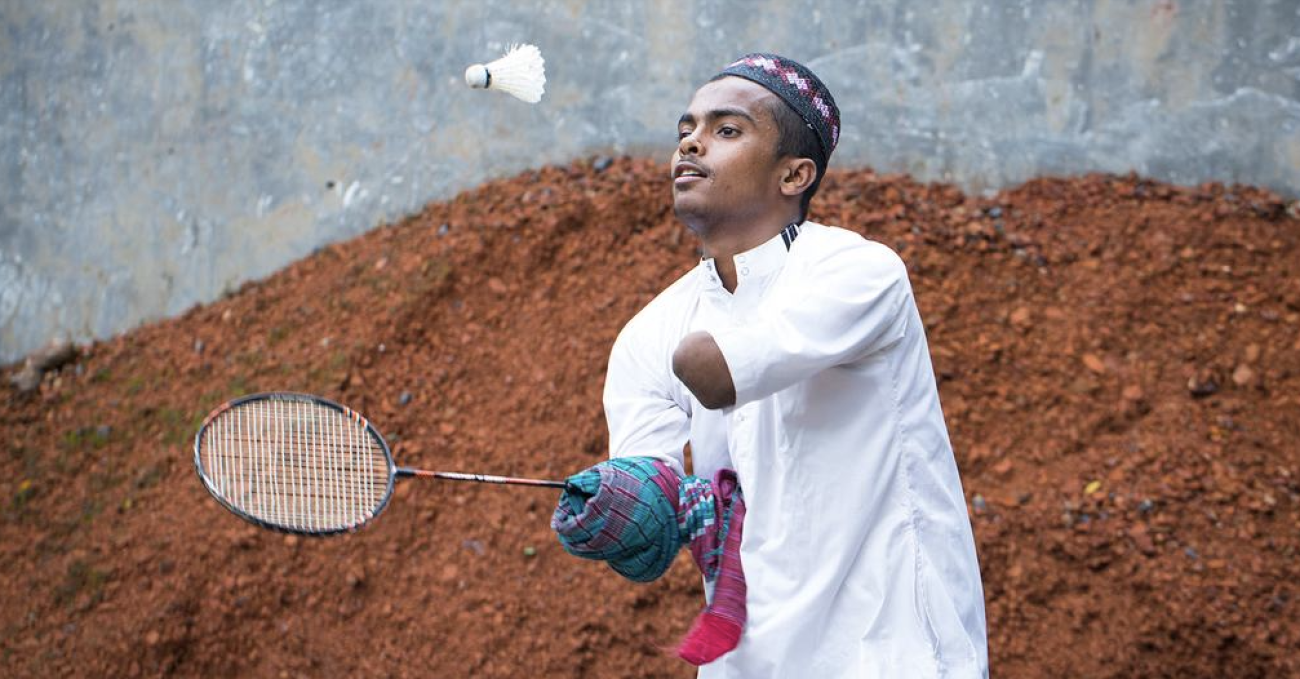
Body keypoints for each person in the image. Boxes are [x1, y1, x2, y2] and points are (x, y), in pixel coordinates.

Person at [600, 53, 989, 677]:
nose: (692, 144)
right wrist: (624, 512)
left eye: (726, 131)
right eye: (686, 131)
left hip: (890, 645)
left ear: (794, 175)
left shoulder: (859, 271)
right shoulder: (647, 331)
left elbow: (720, 369)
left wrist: (661, 490)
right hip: (747, 662)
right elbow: (647, 500)